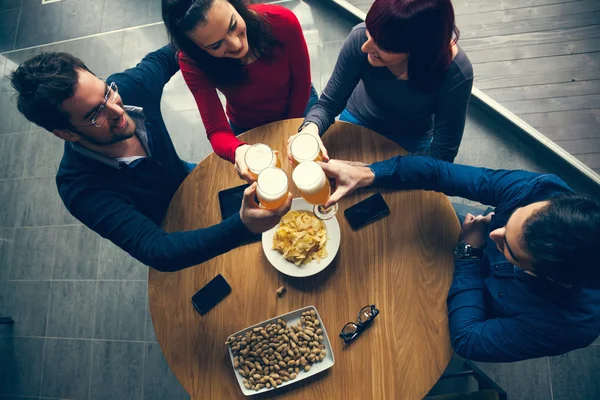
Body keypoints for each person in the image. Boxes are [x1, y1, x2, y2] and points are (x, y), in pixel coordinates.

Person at [10, 46, 291, 273]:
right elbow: (158, 250)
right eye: (95, 114)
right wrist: (242, 226)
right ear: (66, 133)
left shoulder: (130, 88)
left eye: (107, 91)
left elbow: (172, 51)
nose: (117, 111)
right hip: (170, 227)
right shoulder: (80, 188)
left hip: (190, 178)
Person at [318, 156, 600, 362]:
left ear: (548, 276)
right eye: (509, 221)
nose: (495, 232)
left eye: (507, 247)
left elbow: (468, 340)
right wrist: (369, 174)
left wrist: (469, 251)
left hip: (475, 295)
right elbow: (440, 173)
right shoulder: (538, 190)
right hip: (470, 238)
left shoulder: (571, 326)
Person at [290, 0, 473, 164]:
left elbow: (441, 155)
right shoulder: (360, 37)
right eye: (369, 33)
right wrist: (310, 129)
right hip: (357, 117)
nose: (365, 47)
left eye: (383, 46)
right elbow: (329, 104)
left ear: (420, 50)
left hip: (412, 139)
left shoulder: (456, 74)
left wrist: (373, 170)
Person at [163, 0, 317, 181]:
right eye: (216, 45)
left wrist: (290, 129)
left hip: (299, 105)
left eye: (233, 25)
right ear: (197, 49)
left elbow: (301, 85)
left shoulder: (281, 21)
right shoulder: (192, 61)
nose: (236, 45)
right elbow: (216, 129)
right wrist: (239, 151)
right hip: (248, 124)